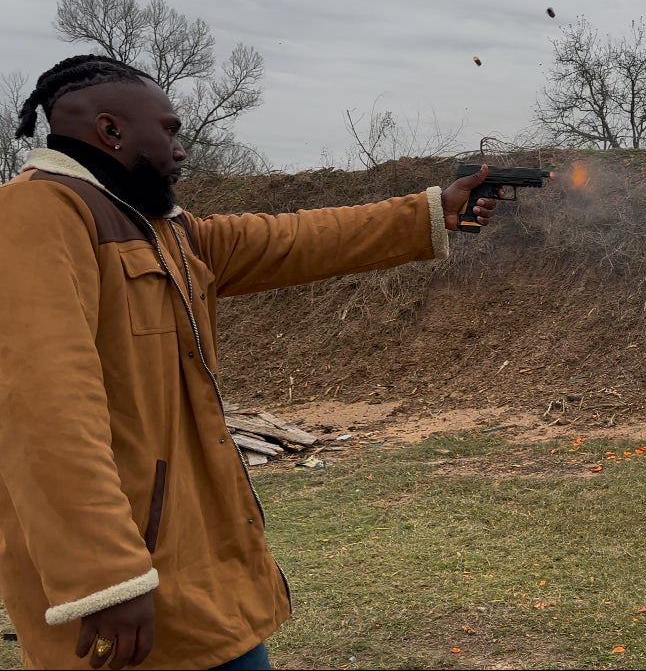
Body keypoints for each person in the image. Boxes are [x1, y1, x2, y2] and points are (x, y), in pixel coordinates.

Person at [0, 55, 497, 670]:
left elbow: (291, 239)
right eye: (172, 129)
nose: (182, 149)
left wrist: (430, 213)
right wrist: (102, 578)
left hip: (191, 567)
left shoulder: (161, 228)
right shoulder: (36, 214)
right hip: (124, 585)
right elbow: (42, 411)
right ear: (111, 131)